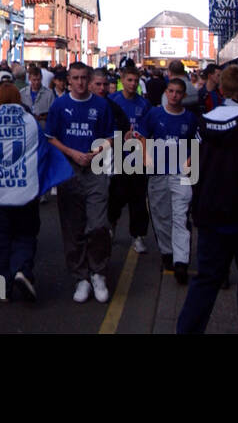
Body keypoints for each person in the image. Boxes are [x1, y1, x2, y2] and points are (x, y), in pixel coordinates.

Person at [176, 64, 238, 334]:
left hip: (208, 213)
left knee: (206, 280)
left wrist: (192, 201)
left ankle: (186, 330)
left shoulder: (204, 121)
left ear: (221, 89)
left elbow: (192, 166)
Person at [0, 83, 71, 302]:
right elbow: (42, 153)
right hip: (25, 193)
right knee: (25, 236)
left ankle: (0, 290)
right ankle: (22, 270)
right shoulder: (30, 122)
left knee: (1, 244)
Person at [44, 61, 114, 303]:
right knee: (73, 227)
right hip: (69, 169)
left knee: (97, 224)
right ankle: (81, 277)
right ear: (68, 80)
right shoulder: (60, 105)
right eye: (75, 78)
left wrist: (95, 152)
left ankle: (98, 272)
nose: (81, 82)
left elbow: (110, 137)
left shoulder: (101, 105)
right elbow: (51, 137)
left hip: (95, 168)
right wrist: (73, 153)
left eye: (84, 78)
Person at [134, 78, 197, 283]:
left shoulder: (190, 118)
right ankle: (167, 252)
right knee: (161, 216)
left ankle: (181, 260)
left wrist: (189, 164)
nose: (174, 95)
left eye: (178, 92)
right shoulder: (154, 114)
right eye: (171, 91)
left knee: (180, 216)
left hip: (181, 175)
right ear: (166, 92)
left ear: (184, 95)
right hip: (158, 173)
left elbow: (196, 144)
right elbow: (142, 137)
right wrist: (146, 158)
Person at [108, 65, 151, 254]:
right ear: (122, 80)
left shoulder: (144, 104)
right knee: (115, 198)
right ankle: (111, 228)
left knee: (138, 200)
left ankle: (137, 236)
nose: (132, 84)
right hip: (117, 157)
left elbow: (148, 130)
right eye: (129, 80)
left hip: (136, 159)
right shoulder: (112, 101)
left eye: (135, 80)